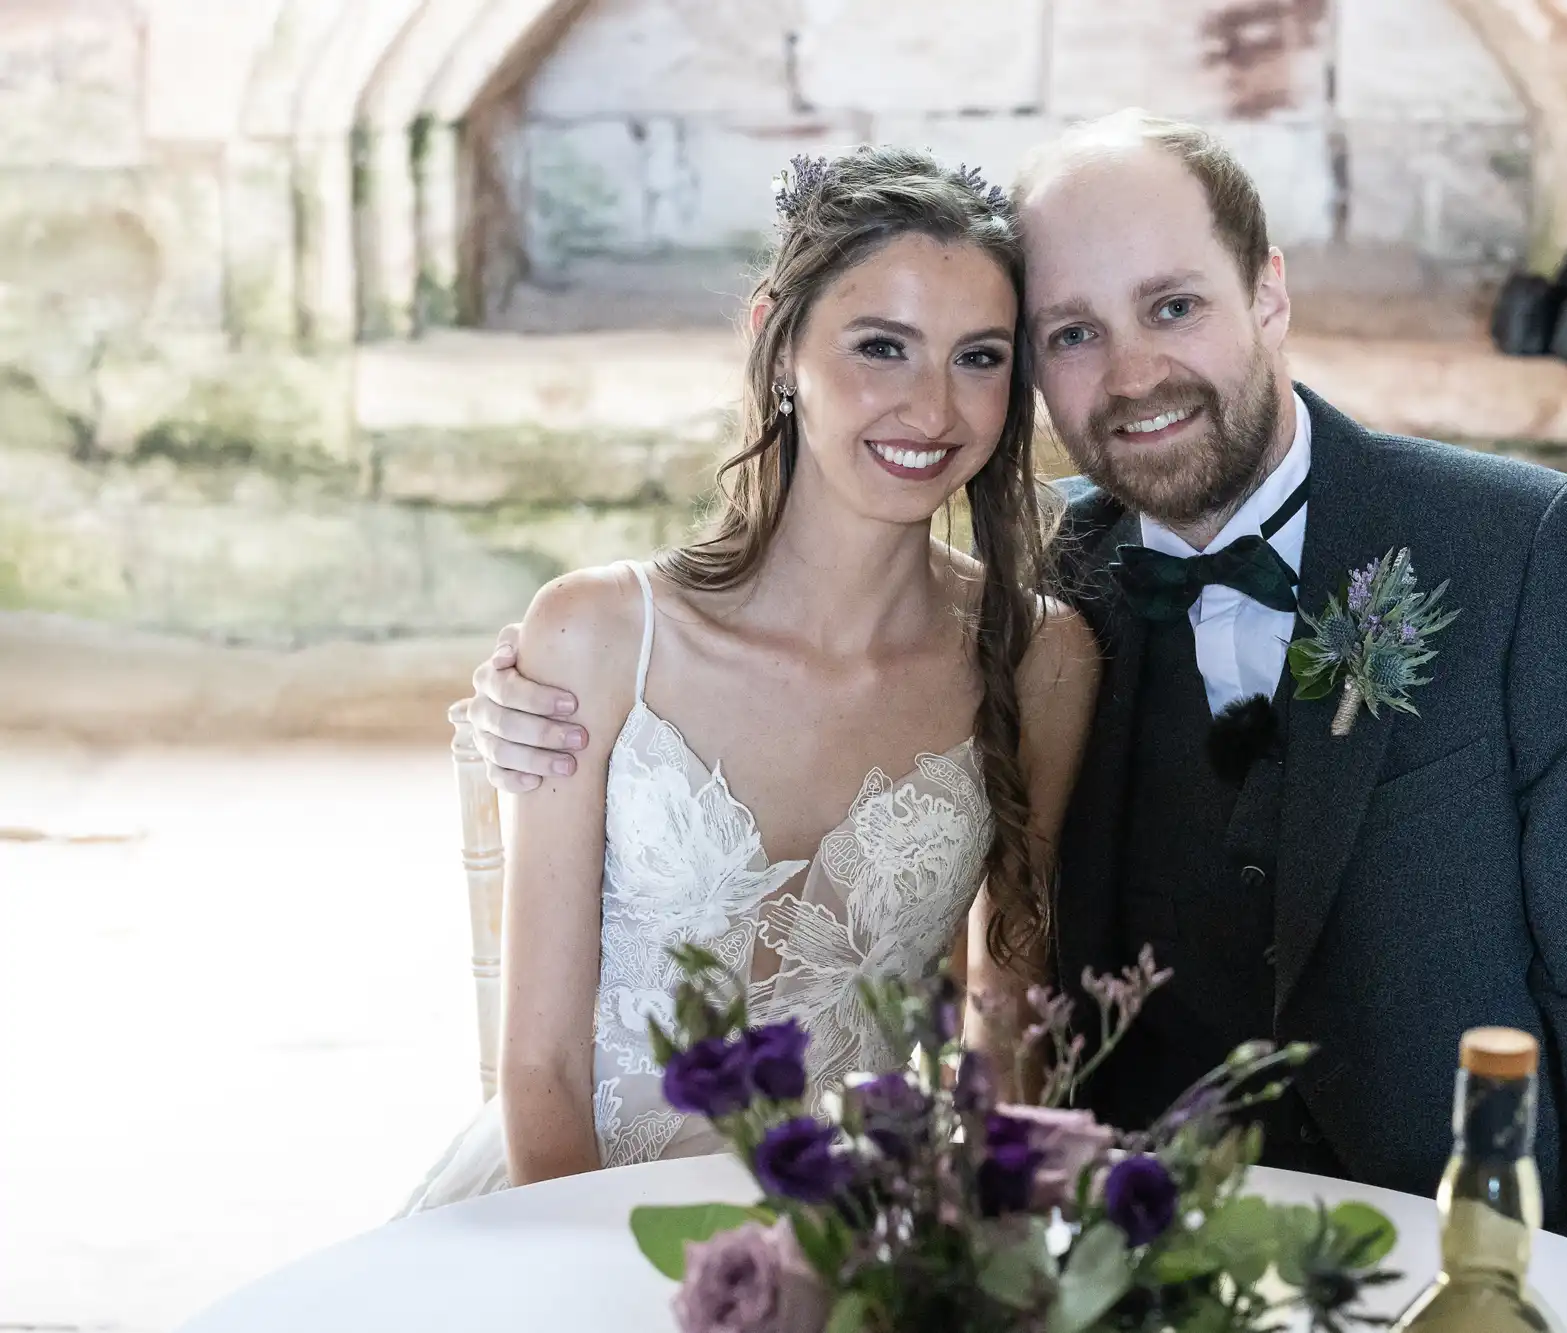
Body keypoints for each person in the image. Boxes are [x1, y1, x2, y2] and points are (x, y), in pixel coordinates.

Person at [468, 113, 1567, 1327]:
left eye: (1174, 306)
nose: (1134, 373)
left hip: (1458, 1268)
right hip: (1144, 1265)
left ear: (1268, 292)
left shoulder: (1517, 550)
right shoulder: (1058, 602)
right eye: (1073, 332)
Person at [403, 146, 1098, 1213]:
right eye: (881, 346)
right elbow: (538, 1069)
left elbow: (1004, 1016)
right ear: (778, 342)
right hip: (569, 1210)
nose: (931, 408)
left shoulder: (1039, 657)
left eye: (978, 357)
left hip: (854, 1232)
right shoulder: (597, 636)